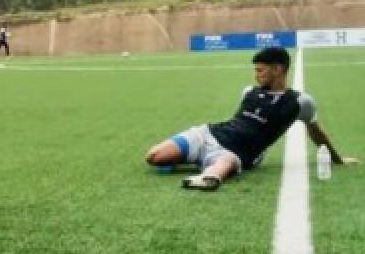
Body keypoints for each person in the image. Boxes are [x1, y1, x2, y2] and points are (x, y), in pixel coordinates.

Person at [146, 47, 358, 190]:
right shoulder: (249, 91)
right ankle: (196, 160)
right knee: (154, 157)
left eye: (261, 70)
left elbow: (316, 133)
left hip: (237, 153)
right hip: (208, 134)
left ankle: (207, 177)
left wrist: (338, 160)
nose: (257, 75)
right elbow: (239, 122)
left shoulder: (301, 102)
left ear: (278, 69)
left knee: (223, 165)